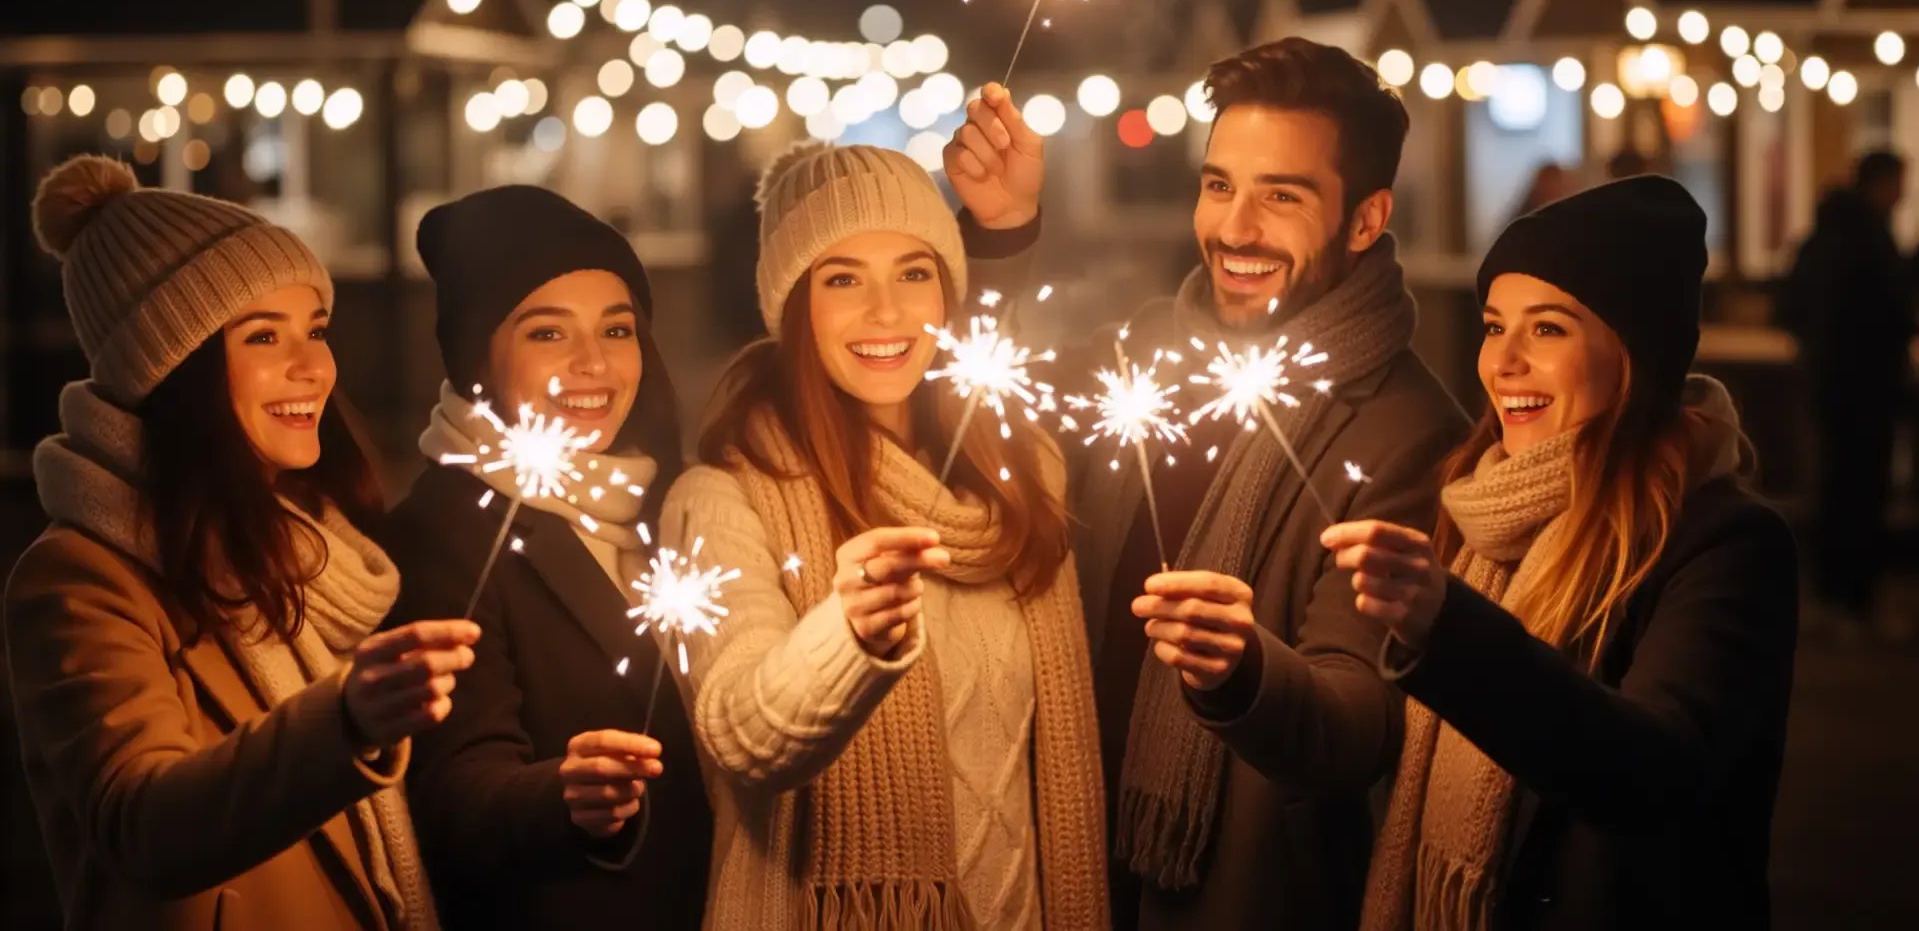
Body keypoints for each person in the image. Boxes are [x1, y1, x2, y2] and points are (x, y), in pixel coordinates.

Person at [946, 37, 1469, 930]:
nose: (1234, 227)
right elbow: (977, 426)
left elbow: (1362, 722)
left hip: (1241, 896)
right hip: (1069, 859)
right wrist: (1000, 233)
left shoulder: (1410, 432)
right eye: (1220, 183)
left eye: (1282, 195)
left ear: (1367, 218)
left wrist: (1244, 671)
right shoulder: (1146, 348)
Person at [7, 156, 475, 930]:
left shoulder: (314, 545)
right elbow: (142, 821)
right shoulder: (78, 579)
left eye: (316, 330)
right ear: (172, 369)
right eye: (264, 336)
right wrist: (346, 720)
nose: (312, 367)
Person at [1325, 176, 1797, 929]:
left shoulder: (1724, 542)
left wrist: (1450, 629)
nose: (1502, 361)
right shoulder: (1474, 510)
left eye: (1547, 329)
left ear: (1632, 352)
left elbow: (1653, 773)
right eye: (1492, 324)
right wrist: (1246, 676)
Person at [661, 142, 1109, 930]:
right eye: (842, 279)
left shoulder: (1022, 474)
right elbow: (741, 732)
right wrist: (848, 634)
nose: (887, 312)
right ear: (793, 305)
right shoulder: (723, 499)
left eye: (913, 271)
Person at [380, 186, 710, 929]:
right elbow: (451, 788)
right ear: (478, 357)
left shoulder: (673, 499)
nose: (592, 363)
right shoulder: (445, 532)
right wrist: (564, 795)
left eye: (617, 329)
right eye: (547, 334)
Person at [1782, 150, 1913, 641]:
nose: (1903, 193)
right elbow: (1894, 315)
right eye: (1900, 182)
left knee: (1835, 491)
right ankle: (1854, 603)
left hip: (1828, 385)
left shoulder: (1822, 238)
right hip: (1866, 389)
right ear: (1880, 184)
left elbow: (1789, 306)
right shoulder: (1871, 241)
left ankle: (1832, 599)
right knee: (1860, 495)